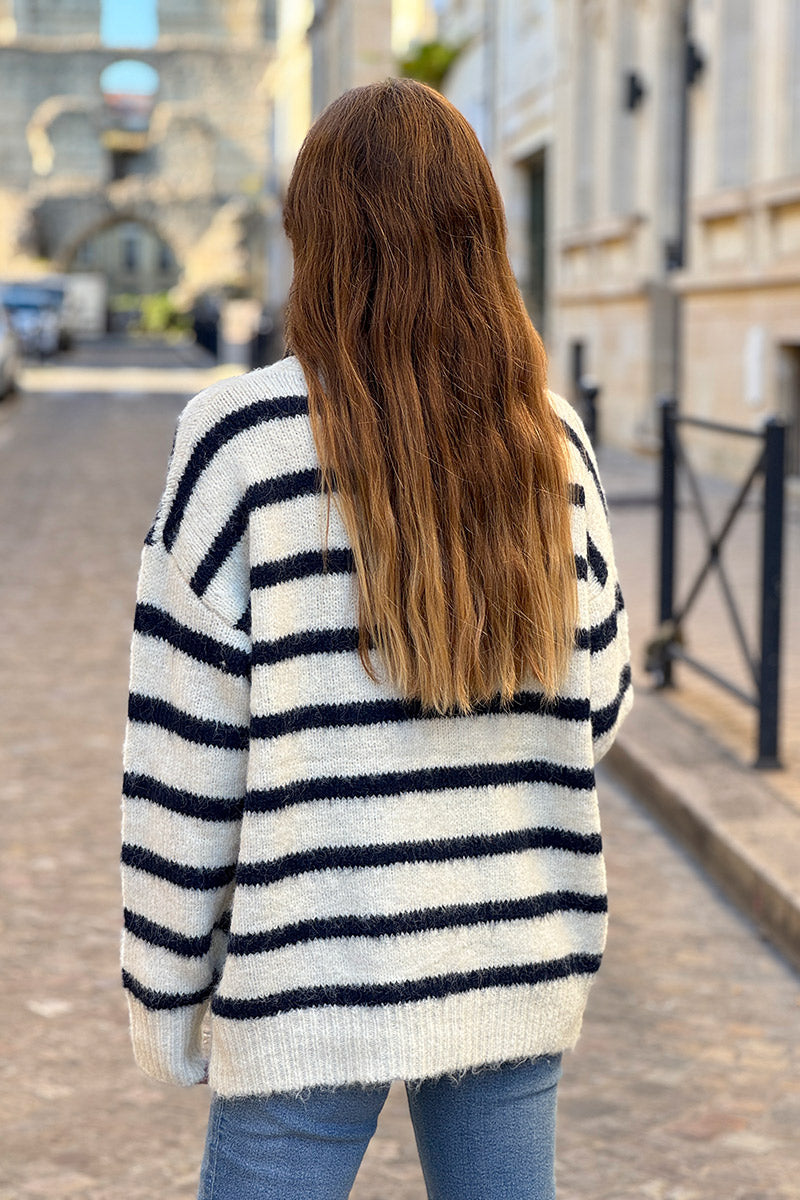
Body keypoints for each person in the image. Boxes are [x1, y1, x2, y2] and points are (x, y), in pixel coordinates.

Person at [120, 77, 632, 1200]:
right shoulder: (550, 436)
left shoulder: (240, 441)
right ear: (481, 234)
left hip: (313, 967)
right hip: (512, 949)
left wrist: (165, 988)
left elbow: (181, 761)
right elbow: (600, 702)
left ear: (317, 236)